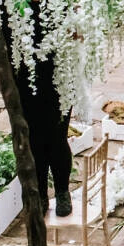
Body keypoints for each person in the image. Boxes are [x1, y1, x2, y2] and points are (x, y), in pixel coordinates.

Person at [17, 49, 74, 217]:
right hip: (26, 70)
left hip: (60, 71)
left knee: (57, 137)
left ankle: (62, 191)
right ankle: (40, 194)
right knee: (34, 139)